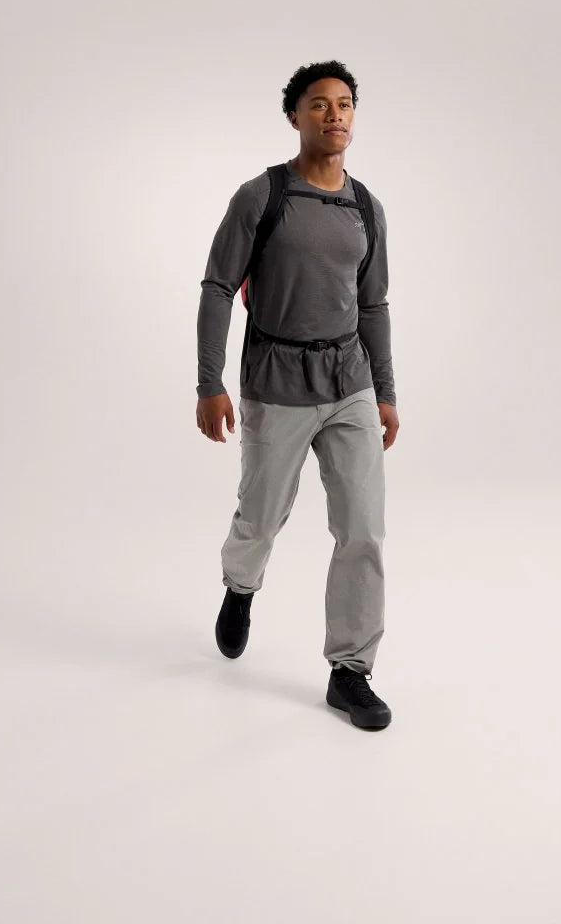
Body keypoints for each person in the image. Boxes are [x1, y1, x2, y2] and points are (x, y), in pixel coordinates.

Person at [195, 60, 399, 730]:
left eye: (345, 104)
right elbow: (218, 288)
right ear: (295, 116)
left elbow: (373, 305)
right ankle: (240, 587)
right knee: (261, 516)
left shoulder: (366, 207)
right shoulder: (262, 196)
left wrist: (386, 392)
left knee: (363, 529)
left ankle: (351, 671)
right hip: (276, 383)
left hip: (349, 384)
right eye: (319, 104)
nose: (334, 114)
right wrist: (209, 383)